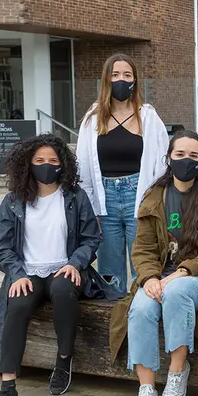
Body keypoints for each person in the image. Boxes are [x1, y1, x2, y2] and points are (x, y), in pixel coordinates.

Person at [107, 130, 198, 396]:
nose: (186, 160)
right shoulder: (154, 196)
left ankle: (177, 372)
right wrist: (150, 278)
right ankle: (146, 388)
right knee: (140, 306)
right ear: (169, 158)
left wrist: (181, 272)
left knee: (177, 291)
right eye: (180, 154)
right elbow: (141, 248)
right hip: (160, 279)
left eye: (193, 155)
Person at [0, 135, 100, 396]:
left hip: (65, 268)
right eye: (40, 160)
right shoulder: (13, 201)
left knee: (64, 289)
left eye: (53, 160)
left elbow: (91, 238)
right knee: (16, 303)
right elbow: (1, 248)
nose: (47, 166)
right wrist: (16, 274)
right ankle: (8, 388)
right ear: (28, 163)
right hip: (28, 272)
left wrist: (76, 263)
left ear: (63, 164)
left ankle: (63, 361)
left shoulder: (75, 197)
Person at [77, 53, 170, 294]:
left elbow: (161, 164)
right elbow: (83, 166)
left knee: (143, 265)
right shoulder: (92, 119)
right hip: (104, 200)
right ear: (106, 80)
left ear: (135, 81)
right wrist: (90, 208)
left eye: (127, 75)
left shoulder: (148, 116)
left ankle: (141, 317)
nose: (121, 79)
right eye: (115, 74)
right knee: (109, 271)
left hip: (138, 196)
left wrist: (155, 201)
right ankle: (114, 322)